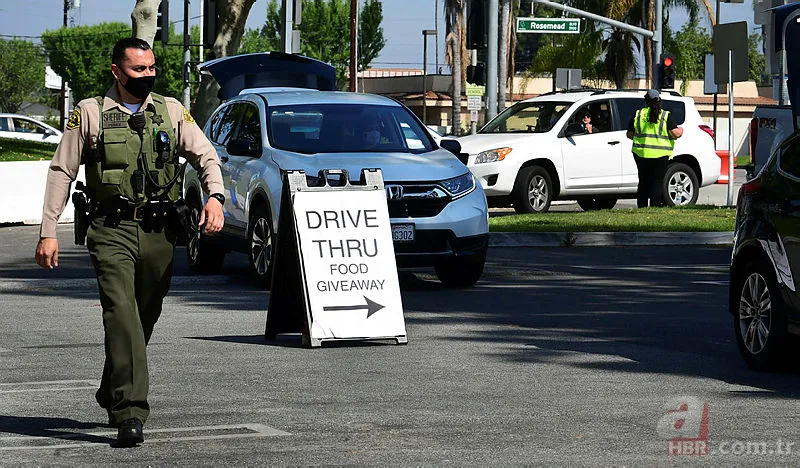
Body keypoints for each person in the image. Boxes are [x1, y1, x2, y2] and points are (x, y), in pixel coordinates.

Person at [34, 37, 225, 447]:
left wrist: (216, 198)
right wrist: (48, 230)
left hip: (160, 232)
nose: (147, 75)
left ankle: (111, 388)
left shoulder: (171, 110)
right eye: (139, 69)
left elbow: (207, 157)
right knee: (121, 315)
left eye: (151, 67)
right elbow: (61, 172)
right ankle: (130, 412)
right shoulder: (90, 113)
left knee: (143, 318)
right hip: (111, 230)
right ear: (117, 72)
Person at [626, 89, 683, 207]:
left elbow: (629, 134)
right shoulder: (665, 115)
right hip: (661, 154)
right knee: (657, 182)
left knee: (643, 181)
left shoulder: (638, 114)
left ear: (645, 101)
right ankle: (655, 207)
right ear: (659, 101)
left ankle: (641, 207)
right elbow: (675, 134)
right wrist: (681, 130)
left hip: (641, 153)